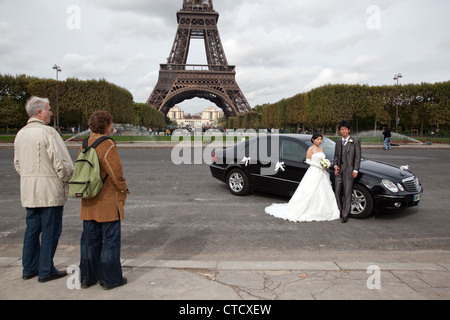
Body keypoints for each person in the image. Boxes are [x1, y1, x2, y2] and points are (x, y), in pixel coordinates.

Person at [14, 96, 74, 282]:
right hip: (49, 191)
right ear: (39, 112)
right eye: (48, 109)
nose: (50, 112)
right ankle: (46, 269)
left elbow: (18, 164)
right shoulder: (48, 133)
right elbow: (63, 164)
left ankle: (29, 268)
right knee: (50, 231)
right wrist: (67, 179)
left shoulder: (21, 134)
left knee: (31, 230)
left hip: (29, 190)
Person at [79, 111, 130, 290]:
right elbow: (116, 173)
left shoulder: (86, 142)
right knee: (110, 240)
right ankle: (110, 279)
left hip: (88, 199)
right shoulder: (107, 144)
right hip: (107, 199)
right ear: (107, 125)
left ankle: (87, 277)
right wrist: (124, 191)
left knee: (88, 241)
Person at [265, 133, 340, 222]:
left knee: (323, 190)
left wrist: (325, 163)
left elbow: (323, 159)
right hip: (314, 171)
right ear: (313, 140)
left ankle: (324, 210)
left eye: (320, 139)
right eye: (317, 139)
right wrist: (318, 165)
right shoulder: (310, 149)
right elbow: (308, 160)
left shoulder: (321, 149)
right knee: (310, 190)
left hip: (322, 173)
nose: (319, 141)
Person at [334, 121, 361, 223]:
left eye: (345, 129)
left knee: (347, 192)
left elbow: (357, 157)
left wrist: (355, 170)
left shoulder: (355, 141)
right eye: (342, 129)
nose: (343, 131)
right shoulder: (338, 142)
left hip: (349, 170)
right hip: (339, 170)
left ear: (348, 130)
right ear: (340, 131)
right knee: (337, 191)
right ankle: (339, 211)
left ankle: (345, 214)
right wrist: (335, 165)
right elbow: (336, 156)